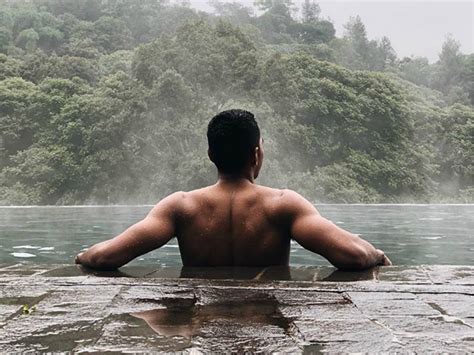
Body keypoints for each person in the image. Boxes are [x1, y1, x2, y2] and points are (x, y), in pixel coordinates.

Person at [75, 109, 391, 270]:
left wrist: (85, 254)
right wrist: (374, 253)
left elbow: (106, 257)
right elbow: (353, 254)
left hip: (204, 327)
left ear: (211, 154)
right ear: (256, 154)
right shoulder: (282, 205)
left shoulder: (181, 206)